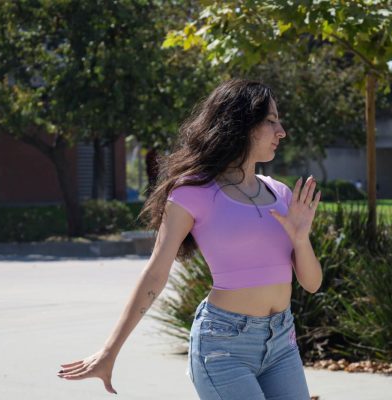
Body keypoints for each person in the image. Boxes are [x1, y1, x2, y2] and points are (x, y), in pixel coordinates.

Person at [58, 79, 322, 399]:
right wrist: (109, 350)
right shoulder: (193, 192)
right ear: (240, 123)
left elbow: (311, 284)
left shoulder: (279, 193)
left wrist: (301, 239)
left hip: (282, 342)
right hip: (223, 346)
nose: (281, 131)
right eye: (270, 121)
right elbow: (156, 272)